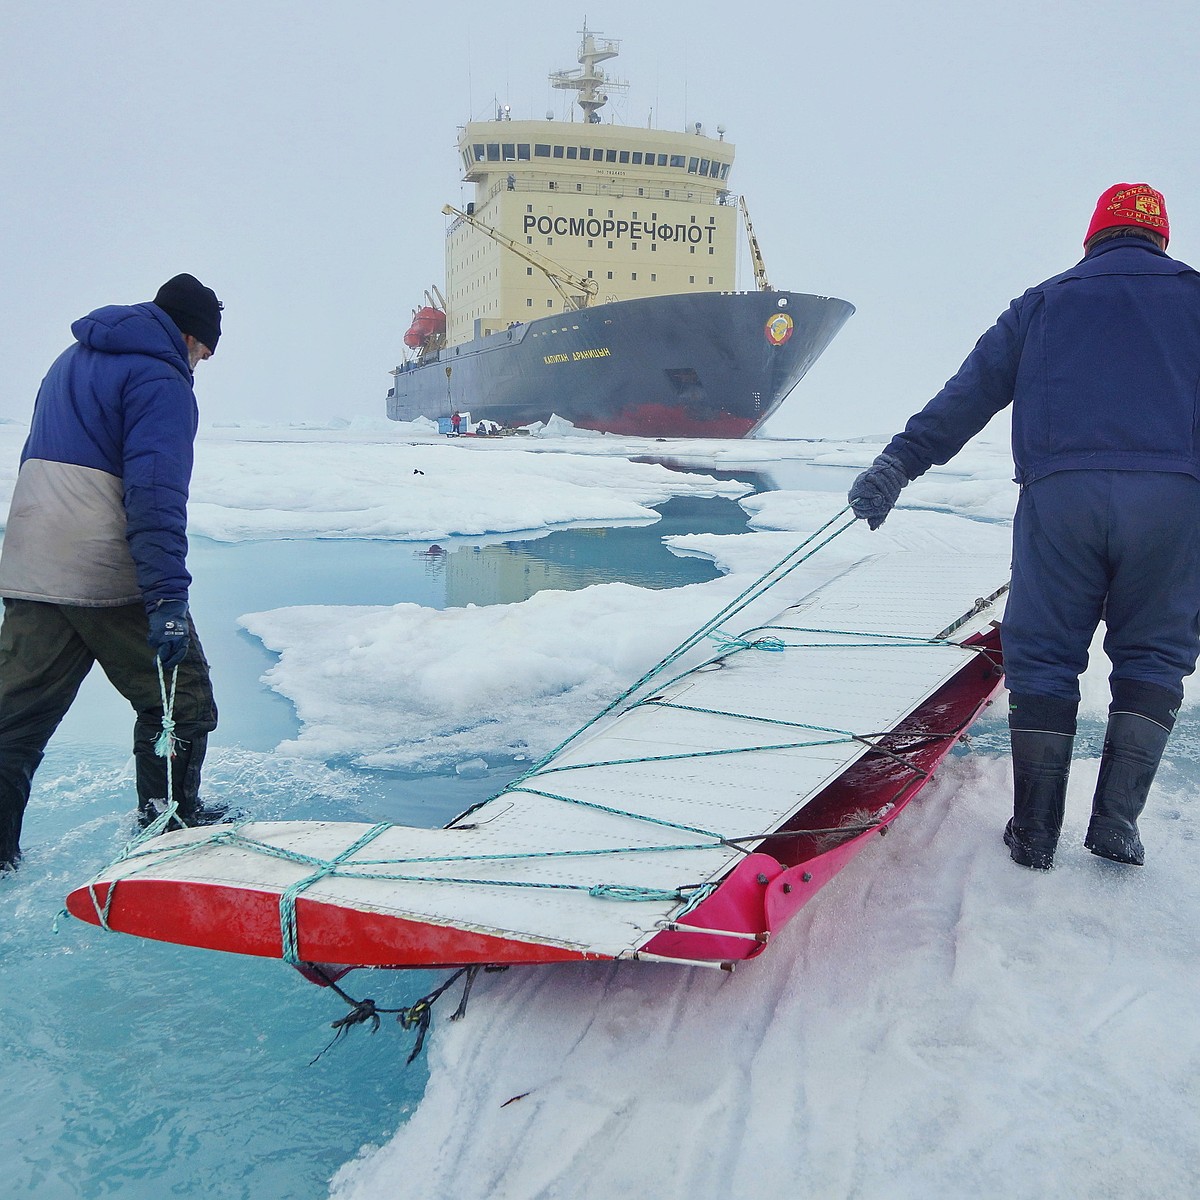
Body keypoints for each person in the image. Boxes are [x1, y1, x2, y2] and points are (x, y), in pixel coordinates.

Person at [848, 183, 1200, 871]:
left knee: (1044, 655)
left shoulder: (1044, 302)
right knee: (1155, 655)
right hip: (1173, 503)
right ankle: (1117, 825)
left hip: (1061, 500)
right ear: (1160, 236)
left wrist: (898, 464)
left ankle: (1035, 834)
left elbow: (968, 395)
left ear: (1093, 237)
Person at [0, 274, 226, 872]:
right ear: (188, 334)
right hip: (99, 560)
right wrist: (167, 600)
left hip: (28, 553)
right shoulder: (160, 377)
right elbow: (154, 494)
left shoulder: (70, 359)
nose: (199, 365)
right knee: (181, 700)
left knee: (14, 721)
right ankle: (170, 828)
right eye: (203, 352)